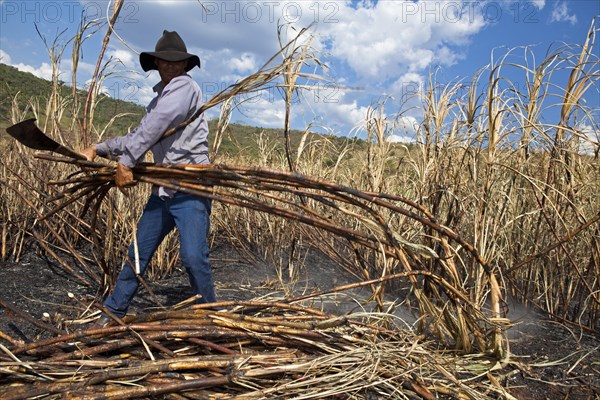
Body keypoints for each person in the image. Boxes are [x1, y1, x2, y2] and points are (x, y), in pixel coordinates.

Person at [81, 31, 216, 328]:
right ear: (156, 62)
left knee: (194, 258)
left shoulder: (184, 88)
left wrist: (127, 162)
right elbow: (139, 135)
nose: (171, 66)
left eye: (176, 61)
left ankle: (211, 319)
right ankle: (113, 314)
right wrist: (99, 148)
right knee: (138, 254)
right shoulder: (158, 100)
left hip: (191, 188)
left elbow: (155, 127)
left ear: (184, 65)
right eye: (165, 61)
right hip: (164, 191)